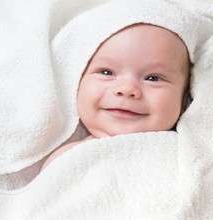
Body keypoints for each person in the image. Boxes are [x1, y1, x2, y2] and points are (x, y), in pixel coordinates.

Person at [41, 23, 190, 171]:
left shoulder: (190, 157)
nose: (126, 89)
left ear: (184, 99)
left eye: (153, 78)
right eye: (106, 72)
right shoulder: (65, 160)